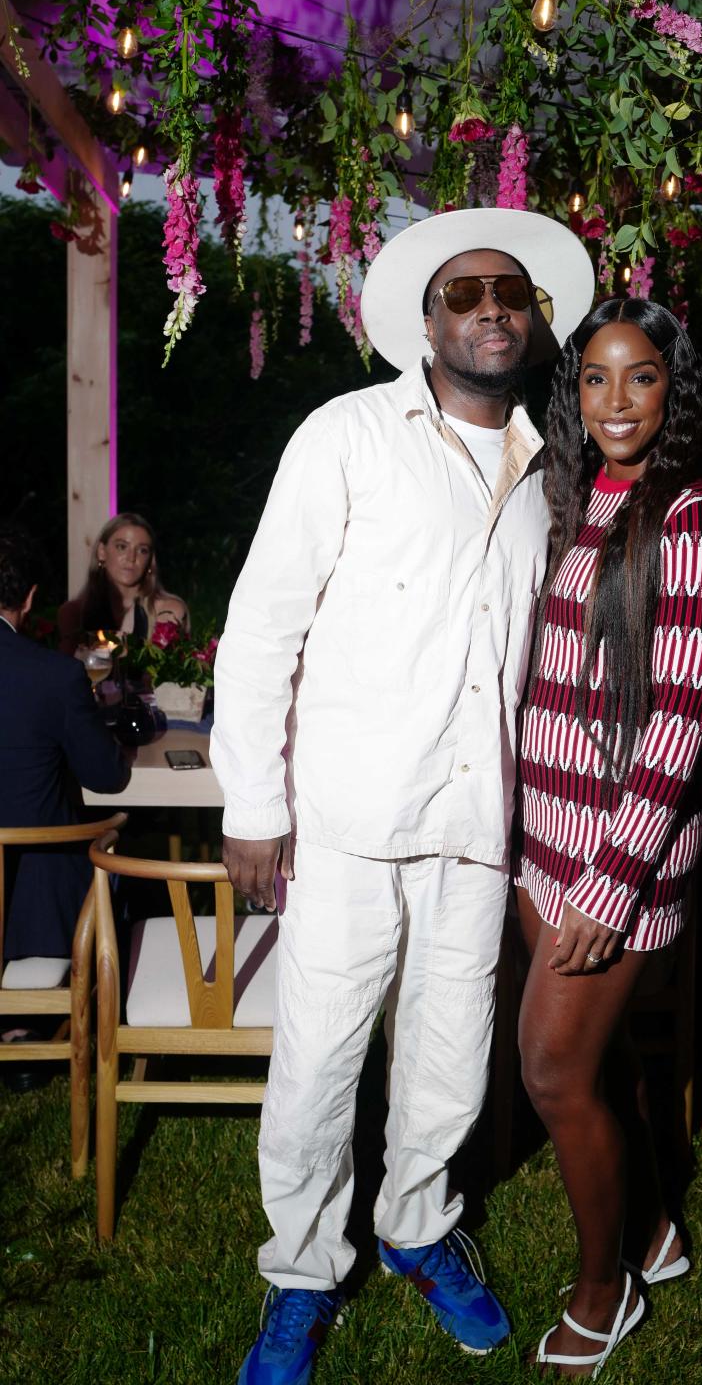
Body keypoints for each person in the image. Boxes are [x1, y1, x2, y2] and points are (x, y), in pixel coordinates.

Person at [210, 207, 595, 1384]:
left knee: (448, 1051)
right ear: (426, 322)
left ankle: (419, 1228)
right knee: (321, 1060)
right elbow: (263, 626)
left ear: (533, 324)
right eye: (464, 293)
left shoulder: (551, 472)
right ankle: (302, 1272)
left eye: (509, 294)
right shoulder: (347, 435)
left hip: (476, 826)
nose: (490, 308)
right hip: (346, 820)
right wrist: (252, 807)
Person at [513, 298, 702, 1376]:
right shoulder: (567, 497)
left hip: (617, 860)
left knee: (552, 1074)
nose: (615, 402)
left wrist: (611, 882)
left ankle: (608, 1292)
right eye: (595, 378)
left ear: (670, 389)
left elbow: (679, 722)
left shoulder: (687, 520)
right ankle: (654, 1229)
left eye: (639, 378)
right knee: (596, 1066)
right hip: (542, 837)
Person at [0, 526, 129, 1083]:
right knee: (112, 858)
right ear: (29, 599)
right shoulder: (53, 676)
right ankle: (33, 1022)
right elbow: (108, 777)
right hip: (31, 908)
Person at [57, 512, 188, 656]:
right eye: (122, 547)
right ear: (102, 552)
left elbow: (166, 673)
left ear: (150, 560)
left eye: (142, 550)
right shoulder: (73, 612)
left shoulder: (168, 611)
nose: (131, 558)